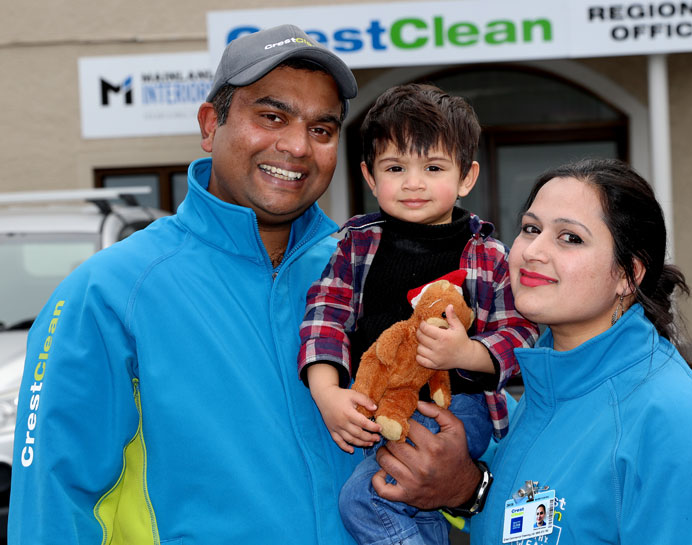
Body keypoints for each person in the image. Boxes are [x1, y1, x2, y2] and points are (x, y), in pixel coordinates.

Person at [8, 24, 367, 544]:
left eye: (321, 129)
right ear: (210, 124)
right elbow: (53, 504)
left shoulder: (360, 274)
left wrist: (464, 483)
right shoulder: (109, 291)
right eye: (272, 117)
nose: (296, 146)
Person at [463, 158, 692, 543]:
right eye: (531, 228)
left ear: (627, 275)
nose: (533, 251)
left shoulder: (677, 424)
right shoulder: (546, 392)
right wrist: (468, 490)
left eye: (570, 237)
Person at [297, 83, 537, 545]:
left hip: (457, 408)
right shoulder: (356, 246)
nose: (413, 182)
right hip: (385, 403)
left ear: (466, 177)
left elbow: (521, 331)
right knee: (407, 503)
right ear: (370, 177)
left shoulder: (487, 254)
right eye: (395, 168)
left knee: (367, 498)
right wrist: (327, 393)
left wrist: (467, 353)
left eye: (433, 167)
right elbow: (325, 316)